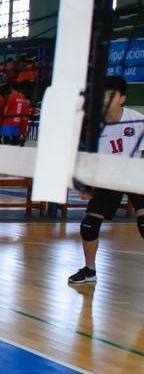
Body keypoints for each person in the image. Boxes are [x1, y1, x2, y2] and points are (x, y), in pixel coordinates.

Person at [69, 75, 144, 285]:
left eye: (112, 95)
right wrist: (86, 184)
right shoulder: (92, 126)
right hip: (107, 177)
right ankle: (89, 270)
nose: (106, 99)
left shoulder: (137, 120)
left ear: (122, 98)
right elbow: (87, 159)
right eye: (104, 94)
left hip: (135, 174)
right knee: (89, 226)